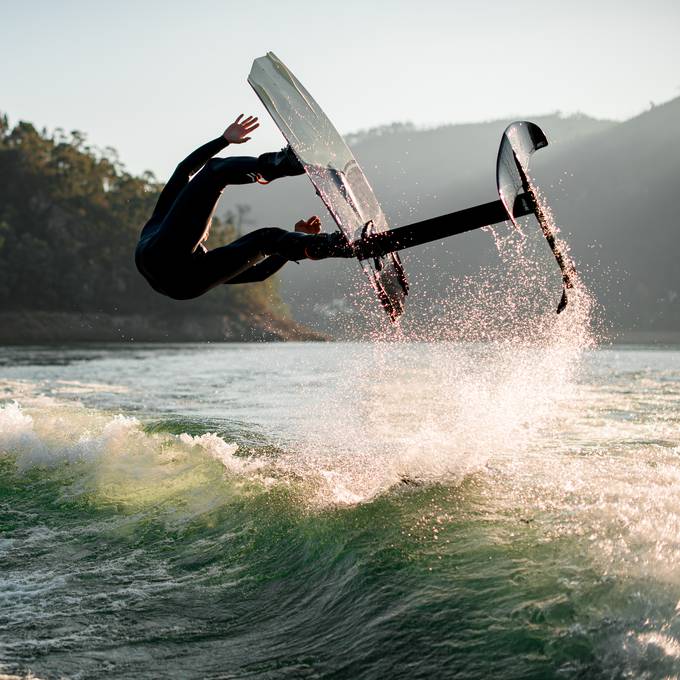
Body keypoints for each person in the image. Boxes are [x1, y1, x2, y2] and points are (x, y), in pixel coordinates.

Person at [135, 114, 350, 300]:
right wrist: (223, 140)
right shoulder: (171, 234)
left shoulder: (170, 231)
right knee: (215, 171)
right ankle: (283, 164)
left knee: (268, 239)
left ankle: (340, 245)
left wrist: (299, 238)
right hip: (162, 261)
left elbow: (260, 272)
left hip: (185, 287)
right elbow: (183, 170)